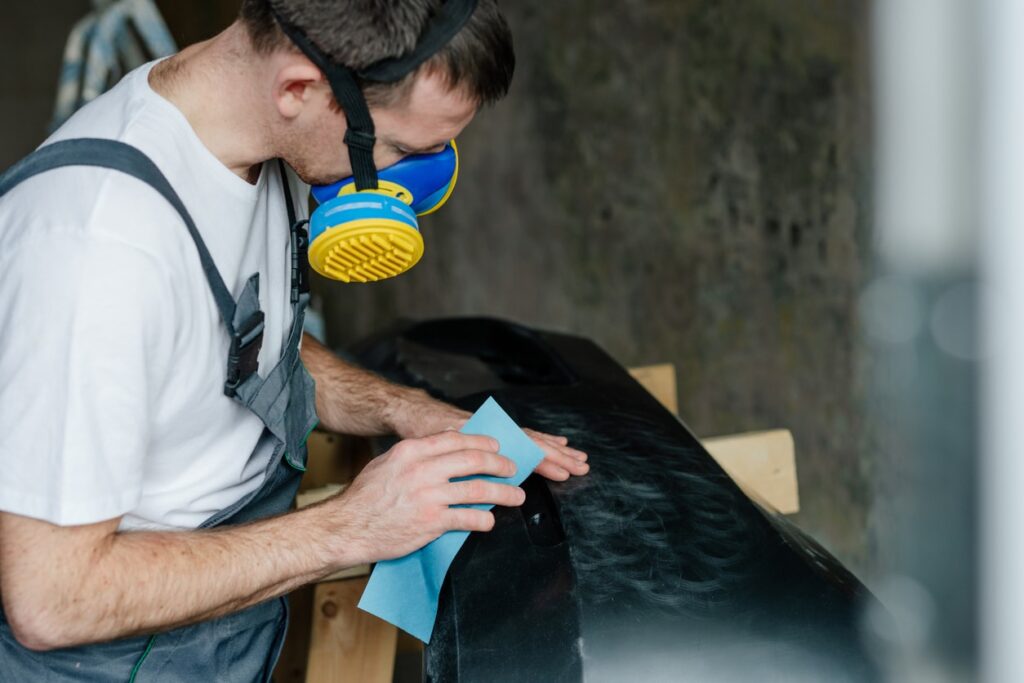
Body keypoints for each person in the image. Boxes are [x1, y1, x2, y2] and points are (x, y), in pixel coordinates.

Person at [0, 0, 589, 679]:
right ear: (300, 88)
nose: (409, 185)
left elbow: (238, 336)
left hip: (223, 626)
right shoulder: (96, 253)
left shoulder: (259, 141)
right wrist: (351, 527)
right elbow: (53, 600)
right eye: (401, 152)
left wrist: (399, 408)